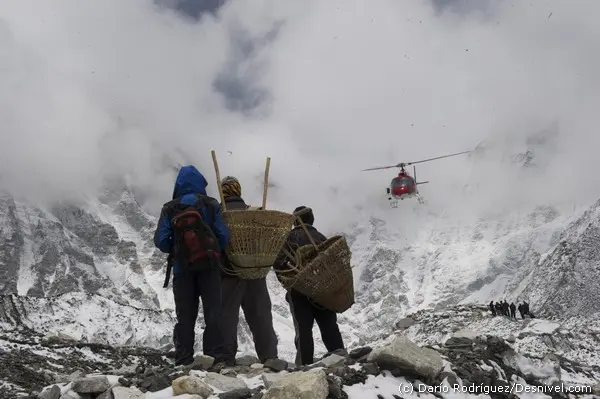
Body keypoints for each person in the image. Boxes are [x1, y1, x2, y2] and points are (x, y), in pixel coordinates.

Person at [154, 165, 230, 367]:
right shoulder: (211, 204)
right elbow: (224, 236)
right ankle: (215, 356)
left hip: (182, 270)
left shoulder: (170, 207)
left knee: (185, 316)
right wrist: (211, 251)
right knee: (213, 312)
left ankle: (183, 358)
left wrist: (180, 250)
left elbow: (161, 241)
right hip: (210, 269)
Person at [273, 206, 345, 366]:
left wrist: (289, 285)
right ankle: (340, 358)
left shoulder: (289, 239)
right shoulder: (321, 238)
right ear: (311, 220)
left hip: (299, 292)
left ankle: (304, 365)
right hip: (323, 291)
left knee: (304, 330)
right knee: (329, 326)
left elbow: (278, 265)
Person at [218, 176, 279, 365]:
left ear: (223, 192)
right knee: (261, 315)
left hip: (228, 274)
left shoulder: (218, 214)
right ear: (239, 191)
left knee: (226, 316)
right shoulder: (253, 214)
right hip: (255, 272)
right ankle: (269, 357)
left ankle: (226, 358)